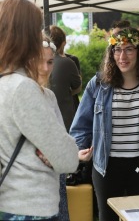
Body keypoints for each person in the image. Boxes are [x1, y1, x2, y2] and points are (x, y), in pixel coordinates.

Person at [70, 27, 139, 221]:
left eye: (129, 49)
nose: (122, 56)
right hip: (106, 166)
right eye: (117, 50)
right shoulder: (99, 84)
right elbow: (81, 126)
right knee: (107, 217)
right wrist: (78, 151)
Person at [0, 0, 79, 220]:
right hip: (30, 209)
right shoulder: (22, 88)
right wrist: (58, 149)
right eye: (37, 28)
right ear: (24, 35)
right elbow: (67, 159)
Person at [38, 34, 70, 221]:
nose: (45, 68)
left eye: (50, 62)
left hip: (54, 180)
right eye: (39, 61)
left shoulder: (49, 96)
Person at [49, 25, 82, 132]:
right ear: (63, 43)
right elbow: (78, 87)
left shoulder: (33, 62)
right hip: (65, 119)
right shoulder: (67, 62)